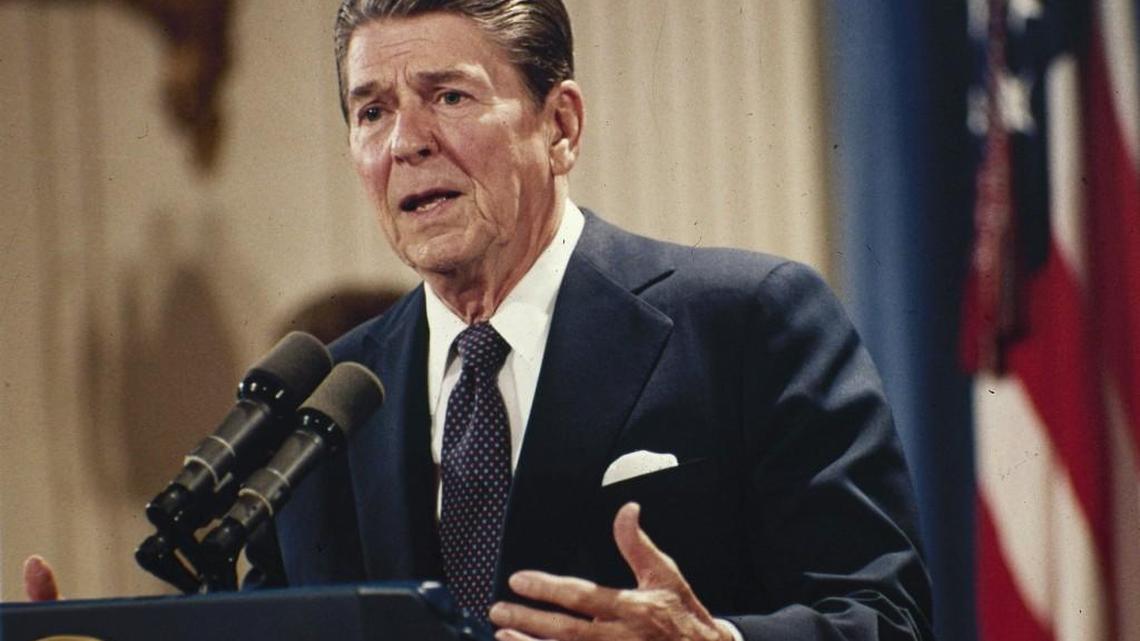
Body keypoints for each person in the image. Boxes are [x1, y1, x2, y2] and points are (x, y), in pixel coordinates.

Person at [28, 1, 934, 639]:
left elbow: (885, 618)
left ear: (561, 125)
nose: (405, 141)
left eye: (449, 96)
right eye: (370, 110)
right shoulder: (329, 403)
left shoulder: (747, 321)